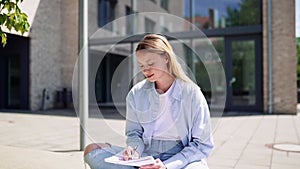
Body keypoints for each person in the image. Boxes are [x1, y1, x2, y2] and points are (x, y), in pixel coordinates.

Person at [84, 34, 214, 169]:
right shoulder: (136, 93)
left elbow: (201, 144)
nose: (146, 70)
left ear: (166, 58)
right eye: (141, 65)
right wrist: (134, 151)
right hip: (146, 155)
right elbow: (134, 133)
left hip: (181, 158)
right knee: (92, 150)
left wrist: (166, 166)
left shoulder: (192, 93)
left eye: (151, 63)